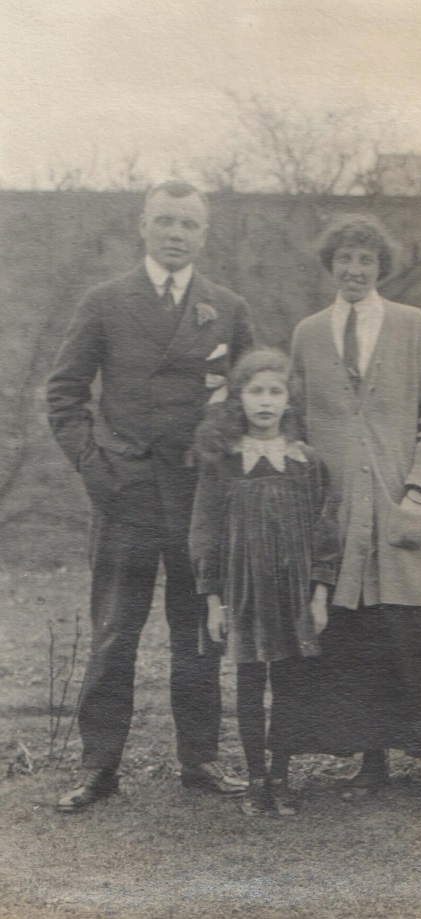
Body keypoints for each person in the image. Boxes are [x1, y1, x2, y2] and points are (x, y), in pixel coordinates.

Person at [47, 180, 254, 812]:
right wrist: (95, 464)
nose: (175, 233)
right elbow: (64, 394)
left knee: (198, 635)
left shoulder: (227, 307)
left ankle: (200, 761)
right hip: (126, 496)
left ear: (203, 233)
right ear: (142, 226)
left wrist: (225, 467)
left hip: (198, 499)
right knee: (115, 633)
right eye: (164, 221)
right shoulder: (106, 302)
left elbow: (255, 395)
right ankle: (99, 767)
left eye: (188, 224)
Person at [291, 214, 421, 819]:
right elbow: (299, 419)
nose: (354, 271)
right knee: (359, 635)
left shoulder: (412, 326)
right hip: (341, 514)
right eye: (345, 261)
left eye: (366, 262)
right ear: (330, 266)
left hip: (405, 505)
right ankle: (371, 758)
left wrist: (417, 487)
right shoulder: (307, 333)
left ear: (380, 268)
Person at [189, 349, 339, 816]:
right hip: (244, 594)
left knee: (290, 686)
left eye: (276, 391)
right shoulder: (223, 463)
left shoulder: (307, 462)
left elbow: (325, 531)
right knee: (250, 685)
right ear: (239, 398)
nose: (266, 402)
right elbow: (205, 531)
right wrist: (214, 600)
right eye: (256, 391)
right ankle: (256, 780)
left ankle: (281, 776)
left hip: (293, 595)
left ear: (289, 399)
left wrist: (319, 593)